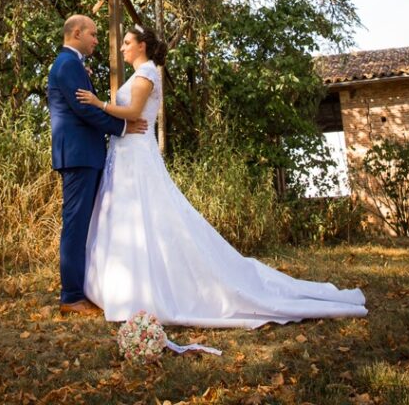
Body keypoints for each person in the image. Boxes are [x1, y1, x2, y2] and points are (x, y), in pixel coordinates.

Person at [76, 24, 367, 328]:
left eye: (126, 42)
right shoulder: (140, 74)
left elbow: (135, 111)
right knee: (131, 218)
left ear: (141, 46)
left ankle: (149, 287)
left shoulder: (147, 73)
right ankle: (122, 285)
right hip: (126, 155)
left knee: (148, 217)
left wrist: (99, 104)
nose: (121, 47)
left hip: (136, 156)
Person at [48, 14, 148, 315]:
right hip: (78, 155)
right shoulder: (67, 64)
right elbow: (84, 110)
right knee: (77, 225)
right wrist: (122, 128)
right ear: (76, 33)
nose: (96, 40)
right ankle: (71, 296)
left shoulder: (73, 65)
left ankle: (84, 288)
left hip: (84, 154)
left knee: (85, 224)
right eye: (92, 34)